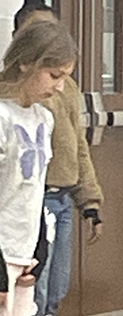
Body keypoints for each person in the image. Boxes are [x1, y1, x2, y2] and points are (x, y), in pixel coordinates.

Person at [12, 0, 104, 316]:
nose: (59, 84)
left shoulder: (56, 100)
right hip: (22, 213)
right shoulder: (11, 111)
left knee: (54, 292)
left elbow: (76, 145)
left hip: (56, 203)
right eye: (54, 75)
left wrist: (89, 200)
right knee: (31, 298)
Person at [0, 21, 78, 316]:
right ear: (25, 64)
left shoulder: (43, 120)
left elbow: (34, 189)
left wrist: (39, 245)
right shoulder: (2, 118)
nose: (59, 86)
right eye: (54, 75)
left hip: (25, 252)